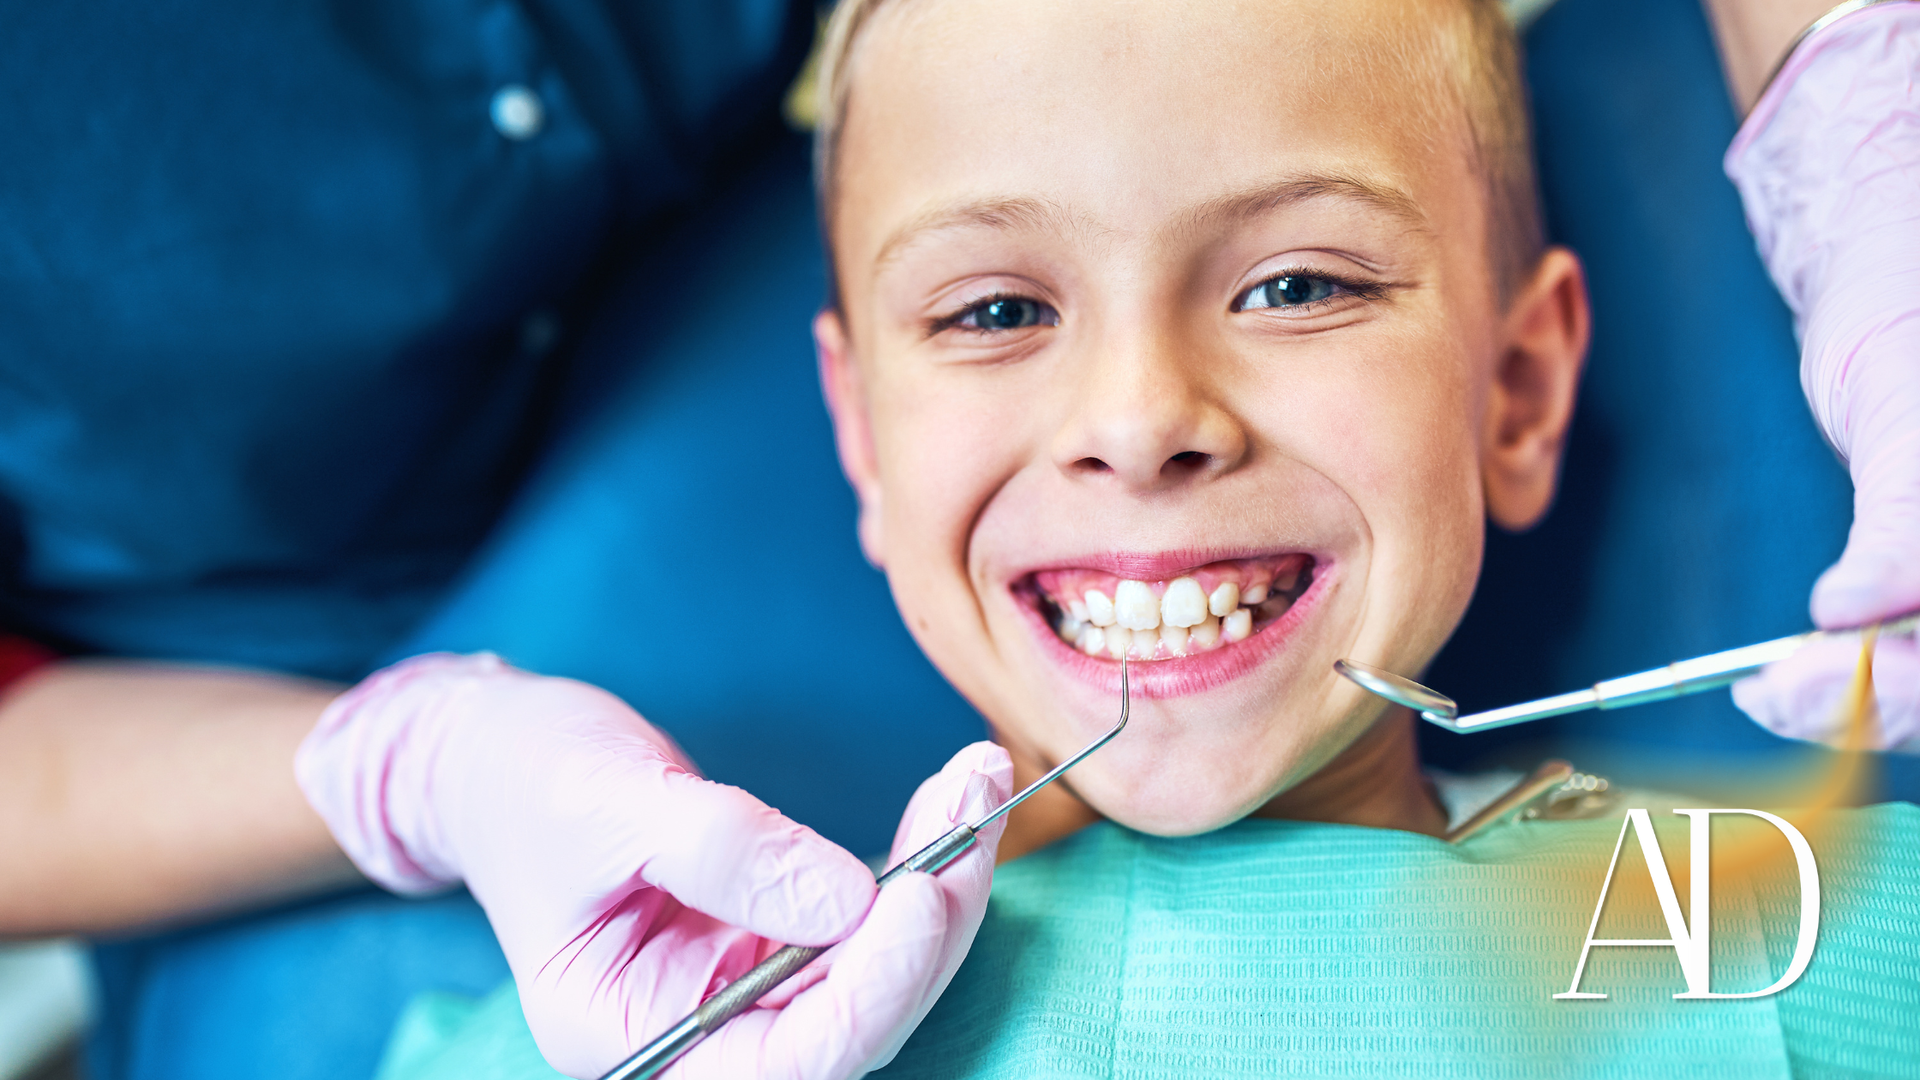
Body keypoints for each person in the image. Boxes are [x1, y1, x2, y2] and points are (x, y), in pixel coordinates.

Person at [0, 0, 1913, 1075]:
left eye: (1302, 281)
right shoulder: (633, 1043)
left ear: (1516, 393)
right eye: (1000, 310)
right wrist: (397, 768)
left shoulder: (1788, 940)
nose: (1142, 418)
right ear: (855, 428)